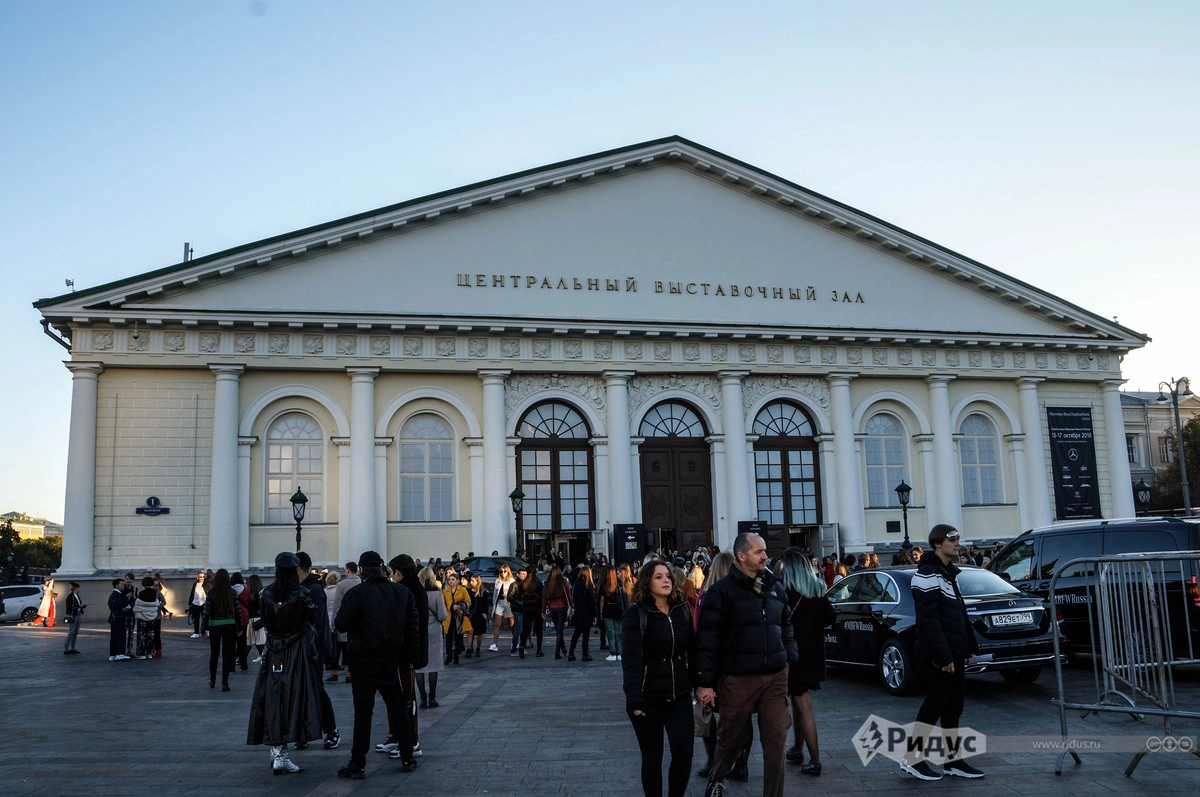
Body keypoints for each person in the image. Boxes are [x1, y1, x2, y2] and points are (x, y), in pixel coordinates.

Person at [695, 532, 796, 797]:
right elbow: (707, 640)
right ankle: (717, 779)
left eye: (765, 551)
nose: (765, 556)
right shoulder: (721, 592)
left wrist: (789, 655)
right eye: (758, 552)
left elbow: (786, 622)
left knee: (777, 740)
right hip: (737, 679)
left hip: (775, 676)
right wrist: (704, 683)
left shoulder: (774, 587)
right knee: (731, 739)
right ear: (741, 556)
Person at [901, 524, 985, 781]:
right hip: (938, 654)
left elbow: (958, 613)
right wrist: (943, 657)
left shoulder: (948, 573)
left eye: (958, 538)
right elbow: (929, 620)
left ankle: (953, 761)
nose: (957, 542)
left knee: (953, 706)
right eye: (951, 539)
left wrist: (969, 648)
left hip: (953, 651)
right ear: (937, 543)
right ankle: (912, 758)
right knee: (934, 704)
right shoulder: (927, 574)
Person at [333, 550, 421, 779]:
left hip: (362, 660)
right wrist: (413, 658)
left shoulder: (357, 593)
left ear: (362, 570)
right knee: (398, 708)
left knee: (363, 713)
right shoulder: (401, 592)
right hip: (390, 659)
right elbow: (412, 630)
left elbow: (341, 624)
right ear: (382, 568)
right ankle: (407, 756)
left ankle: (358, 763)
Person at [621, 559, 697, 797]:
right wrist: (634, 698)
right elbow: (631, 659)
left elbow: (693, 650)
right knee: (652, 757)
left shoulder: (681, 609)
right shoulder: (636, 615)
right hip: (648, 696)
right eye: (658, 577)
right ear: (647, 582)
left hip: (679, 693)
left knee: (684, 752)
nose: (666, 580)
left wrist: (702, 684)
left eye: (668, 576)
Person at [247, 552, 325, 775]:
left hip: (274, 650)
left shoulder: (266, 593)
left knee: (273, 699)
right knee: (294, 699)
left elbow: (265, 619)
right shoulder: (301, 593)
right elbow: (311, 620)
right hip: (295, 652)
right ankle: (280, 753)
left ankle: (277, 750)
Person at [777, 548, 836, 776]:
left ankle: (815, 759)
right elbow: (830, 617)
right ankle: (797, 749)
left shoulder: (784, 591)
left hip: (793, 654)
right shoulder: (816, 588)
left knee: (803, 704)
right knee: (799, 701)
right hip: (813, 653)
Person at [378, 554, 428, 762]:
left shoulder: (409, 590)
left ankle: (411, 741)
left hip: (407, 653)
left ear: (398, 573)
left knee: (407, 698)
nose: (391, 576)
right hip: (403, 651)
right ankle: (397, 735)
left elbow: (414, 627)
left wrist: (413, 655)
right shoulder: (410, 588)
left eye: (392, 573)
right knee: (397, 696)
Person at [297, 551, 341, 751]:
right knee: (300, 690)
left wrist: (318, 649)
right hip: (302, 647)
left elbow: (318, 622)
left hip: (312, 648)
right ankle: (303, 732)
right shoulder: (302, 587)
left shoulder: (313, 589)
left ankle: (331, 730)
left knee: (316, 689)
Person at [203, 568, 245, 691]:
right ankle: (225, 682)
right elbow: (237, 611)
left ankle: (212, 680)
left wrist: (202, 628)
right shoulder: (232, 593)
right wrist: (240, 626)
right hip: (229, 624)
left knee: (214, 654)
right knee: (227, 654)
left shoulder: (211, 592)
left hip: (214, 625)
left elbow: (207, 612)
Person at [415, 566, 447, 708]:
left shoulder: (415, 593)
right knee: (433, 665)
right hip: (434, 631)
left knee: (419, 667)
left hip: (419, 631)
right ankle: (432, 698)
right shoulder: (437, 593)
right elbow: (442, 615)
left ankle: (422, 698)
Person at [329, 561, 361, 683]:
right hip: (357, 622)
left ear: (347, 570)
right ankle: (349, 674)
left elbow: (337, 604)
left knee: (337, 649)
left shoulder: (341, 585)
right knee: (350, 650)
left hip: (344, 620)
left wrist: (333, 622)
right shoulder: (361, 583)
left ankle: (334, 673)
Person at [600, 565, 630, 662]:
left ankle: (613, 653)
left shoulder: (604, 586)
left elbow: (601, 600)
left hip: (607, 611)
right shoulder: (619, 584)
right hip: (618, 610)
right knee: (618, 632)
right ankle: (619, 653)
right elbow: (625, 598)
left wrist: (600, 612)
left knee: (610, 633)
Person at [441, 571, 472, 665]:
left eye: (453, 579)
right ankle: (449, 655)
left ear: (458, 581)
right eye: (449, 580)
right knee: (448, 636)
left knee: (459, 636)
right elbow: (443, 603)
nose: (451, 581)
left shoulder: (462, 590)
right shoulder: (445, 591)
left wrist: (459, 606)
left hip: (459, 616)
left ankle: (456, 656)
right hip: (449, 616)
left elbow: (468, 601)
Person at [568, 564, 597, 661]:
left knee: (576, 633)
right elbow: (591, 601)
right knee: (586, 634)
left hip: (578, 612)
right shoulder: (588, 585)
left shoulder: (576, 584)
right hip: (587, 613)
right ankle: (585, 654)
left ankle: (571, 653)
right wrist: (594, 615)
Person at [542, 566, 572, 659]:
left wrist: (543, 610)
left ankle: (562, 648)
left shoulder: (548, 584)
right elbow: (568, 595)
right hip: (562, 607)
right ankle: (558, 651)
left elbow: (545, 598)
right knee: (560, 629)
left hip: (552, 608)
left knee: (557, 629)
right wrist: (571, 605)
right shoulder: (563, 583)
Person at [514, 564, 544, 658]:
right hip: (537, 607)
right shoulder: (538, 582)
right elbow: (542, 596)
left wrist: (523, 600)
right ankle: (539, 650)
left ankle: (522, 645)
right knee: (538, 630)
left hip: (526, 607)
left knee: (525, 629)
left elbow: (517, 596)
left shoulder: (522, 583)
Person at [489, 564, 516, 652]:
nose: (503, 573)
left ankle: (515, 642)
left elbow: (514, 593)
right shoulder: (498, 581)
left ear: (508, 572)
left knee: (512, 624)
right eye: (501, 571)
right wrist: (494, 604)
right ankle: (494, 644)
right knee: (497, 623)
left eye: (505, 571)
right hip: (499, 603)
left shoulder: (512, 581)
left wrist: (508, 596)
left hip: (508, 603)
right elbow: (495, 594)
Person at [133, 577, 161, 660]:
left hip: (142, 616)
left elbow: (139, 603)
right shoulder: (154, 593)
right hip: (152, 616)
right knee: (150, 635)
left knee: (141, 635)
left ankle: (141, 653)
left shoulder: (141, 593)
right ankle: (149, 653)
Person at [466, 573, 490, 657]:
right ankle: (469, 648)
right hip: (470, 614)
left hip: (480, 614)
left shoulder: (483, 592)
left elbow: (486, 604)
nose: (471, 582)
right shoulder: (468, 591)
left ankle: (478, 648)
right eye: (470, 580)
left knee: (479, 633)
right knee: (470, 632)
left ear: (477, 582)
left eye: (473, 581)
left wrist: (485, 613)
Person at [107, 577, 129, 662]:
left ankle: (113, 654)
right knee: (120, 635)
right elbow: (119, 605)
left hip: (114, 618)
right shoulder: (117, 595)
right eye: (121, 584)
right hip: (118, 617)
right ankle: (120, 653)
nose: (123, 585)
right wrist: (127, 603)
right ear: (116, 585)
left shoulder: (114, 594)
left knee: (114, 636)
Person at [246, 573, 266, 662]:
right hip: (258, 618)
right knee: (258, 639)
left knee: (250, 640)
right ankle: (261, 655)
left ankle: (242, 657)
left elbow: (251, 607)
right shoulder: (261, 593)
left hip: (253, 618)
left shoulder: (252, 594)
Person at [63, 582, 85, 654]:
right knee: (71, 631)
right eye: (78, 588)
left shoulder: (77, 596)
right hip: (73, 615)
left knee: (76, 632)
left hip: (78, 614)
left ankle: (73, 647)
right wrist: (79, 606)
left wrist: (82, 606)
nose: (79, 589)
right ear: (75, 588)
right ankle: (66, 648)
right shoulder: (70, 597)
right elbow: (69, 607)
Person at [187, 571, 207, 638]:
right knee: (196, 619)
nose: (202, 578)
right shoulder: (195, 584)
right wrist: (190, 604)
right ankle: (196, 632)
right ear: (197, 577)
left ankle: (206, 631)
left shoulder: (207, 584)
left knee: (205, 618)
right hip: (195, 603)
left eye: (203, 577)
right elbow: (192, 594)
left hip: (204, 603)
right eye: (200, 577)